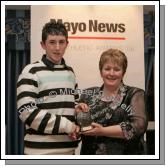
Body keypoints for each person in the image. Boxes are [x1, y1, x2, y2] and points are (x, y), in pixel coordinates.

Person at [17, 20, 80, 155]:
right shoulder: (31, 71)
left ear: (67, 44)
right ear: (43, 45)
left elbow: (71, 104)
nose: (57, 47)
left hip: (69, 151)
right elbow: (26, 112)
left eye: (61, 42)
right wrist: (67, 126)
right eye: (52, 42)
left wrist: (78, 109)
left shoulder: (70, 72)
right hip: (39, 153)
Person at [75, 48, 148, 155]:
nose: (111, 73)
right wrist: (77, 114)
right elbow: (79, 128)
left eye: (117, 69)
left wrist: (103, 131)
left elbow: (138, 127)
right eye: (107, 69)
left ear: (123, 73)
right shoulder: (88, 94)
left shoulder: (134, 94)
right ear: (101, 71)